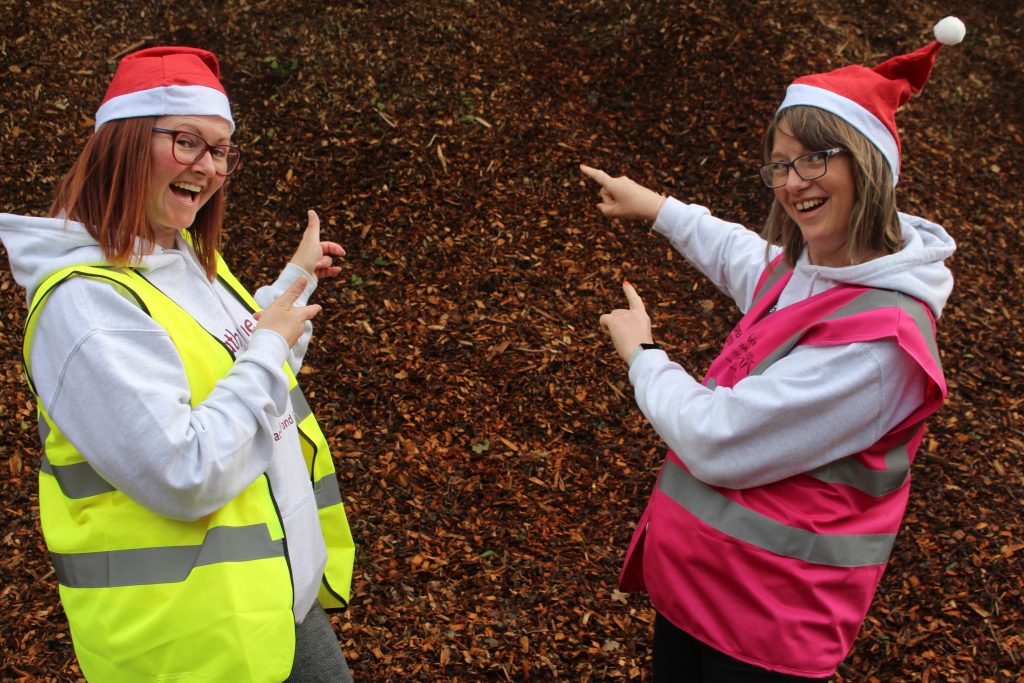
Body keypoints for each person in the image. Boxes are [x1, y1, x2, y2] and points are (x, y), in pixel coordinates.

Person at [581, 17, 965, 682]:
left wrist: (643, 354)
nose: (793, 182)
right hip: (703, 593)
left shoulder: (881, 349)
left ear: (868, 164)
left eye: (815, 158)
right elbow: (746, 259)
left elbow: (717, 435)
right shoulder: (821, 267)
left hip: (766, 630)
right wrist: (661, 210)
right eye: (782, 164)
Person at [0, 46, 356, 682]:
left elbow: (246, 379)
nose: (210, 167)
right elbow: (184, 470)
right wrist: (270, 343)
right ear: (125, 143)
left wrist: (288, 292)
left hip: (277, 605)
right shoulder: (87, 304)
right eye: (188, 141)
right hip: (198, 648)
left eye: (221, 150)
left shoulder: (186, 263)